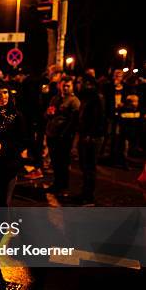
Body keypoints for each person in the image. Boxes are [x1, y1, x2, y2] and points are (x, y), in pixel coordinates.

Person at [72, 75, 105, 205]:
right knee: (85, 166)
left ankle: (89, 196)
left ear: (88, 84)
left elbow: (98, 118)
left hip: (92, 138)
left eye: (80, 82)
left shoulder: (96, 98)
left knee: (90, 167)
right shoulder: (86, 97)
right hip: (86, 135)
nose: (78, 85)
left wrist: (90, 135)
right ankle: (84, 193)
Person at [45, 76, 80, 195]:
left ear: (72, 86)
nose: (65, 88)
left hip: (63, 136)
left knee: (63, 162)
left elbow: (74, 121)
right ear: (59, 85)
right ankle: (56, 183)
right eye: (63, 85)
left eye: (68, 85)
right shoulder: (55, 98)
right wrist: (48, 114)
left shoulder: (74, 101)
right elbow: (48, 115)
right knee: (55, 161)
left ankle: (63, 186)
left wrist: (66, 134)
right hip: (52, 133)